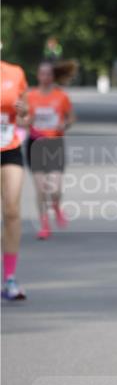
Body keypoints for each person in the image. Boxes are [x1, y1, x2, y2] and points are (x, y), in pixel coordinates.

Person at [25, 60, 76, 240]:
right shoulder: (30, 97)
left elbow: (71, 118)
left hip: (55, 144)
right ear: (38, 76)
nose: (45, 77)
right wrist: (27, 122)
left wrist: (65, 124)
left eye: (49, 74)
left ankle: (55, 204)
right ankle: (44, 224)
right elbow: (22, 121)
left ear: (53, 76)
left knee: (55, 188)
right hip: (35, 144)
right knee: (40, 189)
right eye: (42, 74)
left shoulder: (61, 97)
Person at [1, 58, 29, 299]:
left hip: (9, 147)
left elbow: (25, 117)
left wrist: (23, 113)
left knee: (11, 211)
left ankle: (9, 279)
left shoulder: (15, 72)